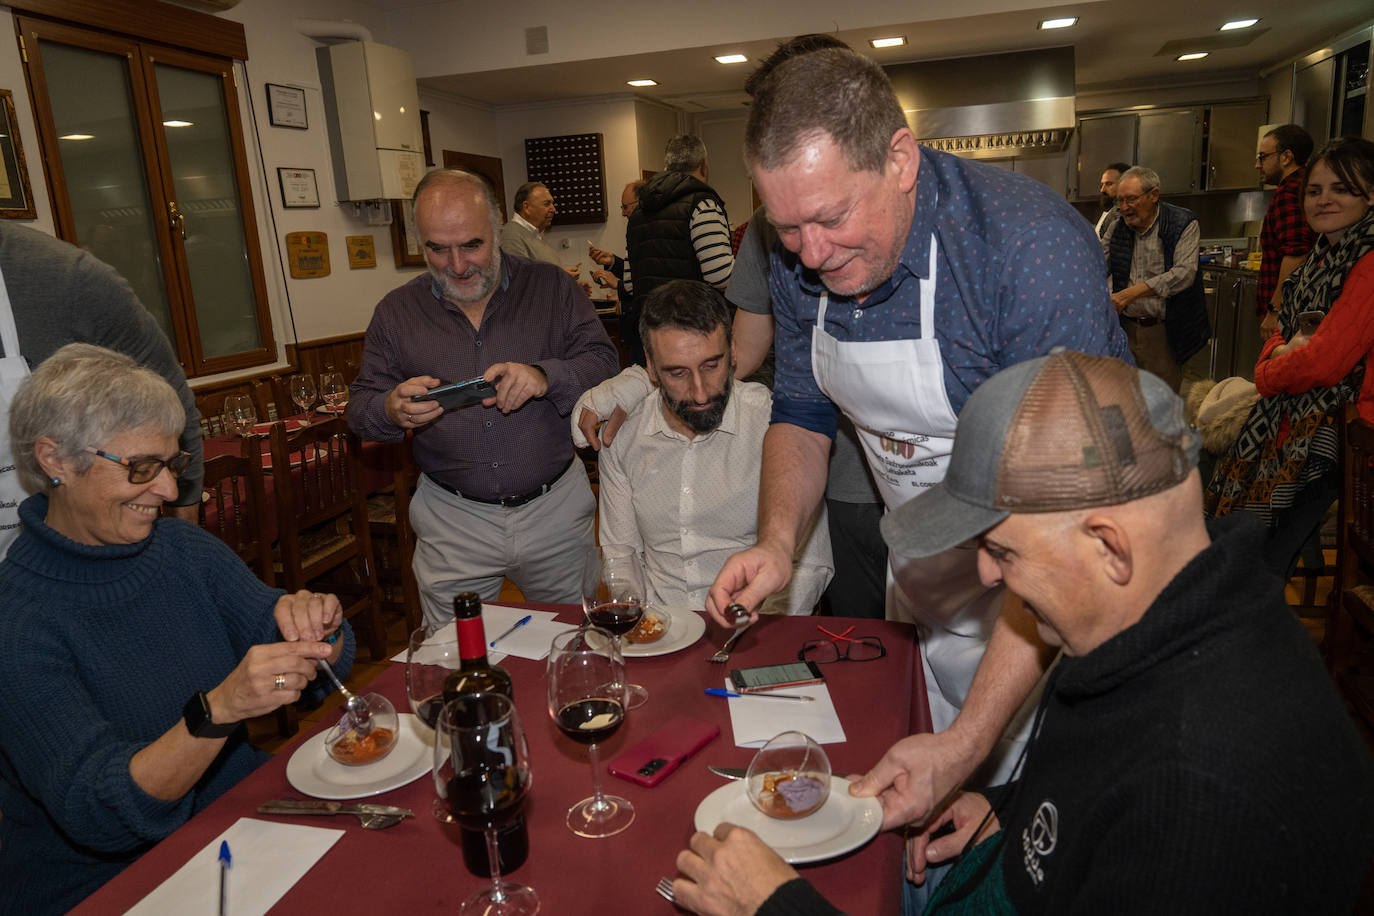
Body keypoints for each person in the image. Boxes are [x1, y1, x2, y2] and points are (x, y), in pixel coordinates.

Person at [670, 350, 1374, 916]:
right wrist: (1011, 809)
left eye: (1004, 551)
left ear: (1108, 545)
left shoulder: (1205, 794)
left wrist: (774, 908)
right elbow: (1099, 792)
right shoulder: (1154, 611)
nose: (986, 573)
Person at [706, 48, 1130, 908]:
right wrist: (777, 542)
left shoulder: (1026, 252)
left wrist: (970, 743)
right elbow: (800, 410)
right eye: (785, 230)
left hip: (1056, 599)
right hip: (924, 581)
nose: (810, 253)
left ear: (899, 160)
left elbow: (1078, 531)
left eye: (828, 218)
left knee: (1032, 858)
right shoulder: (797, 252)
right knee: (912, 846)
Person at [0, 344, 353, 915]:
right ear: (54, 460)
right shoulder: (16, 624)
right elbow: (101, 814)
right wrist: (218, 710)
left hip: (236, 833)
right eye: (141, 468)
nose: (168, 491)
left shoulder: (182, 549)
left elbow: (319, 659)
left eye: (172, 465)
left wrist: (319, 625)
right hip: (106, 887)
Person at [349, 169, 619, 627]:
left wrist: (544, 376)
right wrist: (389, 408)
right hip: (451, 520)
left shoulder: (552, 288)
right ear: (421, 243)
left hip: (555, 511)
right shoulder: (396, 313)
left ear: (498, 230)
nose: (457, 265)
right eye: (437, 249)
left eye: (472, 245)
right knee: (457, 663)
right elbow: (360, 408)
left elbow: (604, 364)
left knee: (578, 646)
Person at [597, 279, 831, 614]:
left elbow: (809, 566)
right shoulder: (623, 438)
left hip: (758, 627)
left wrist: (750, 635)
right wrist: (658, 632)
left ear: (733, 350)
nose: (701, 393)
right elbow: (622, 560)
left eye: (712, 365)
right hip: (661, 628)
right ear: (649, 366)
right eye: (677, 373)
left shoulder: (778, 426)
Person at [1207, 136, 1374, 573]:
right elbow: (1279, 337)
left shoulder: (1369, 260)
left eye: (1341, 189)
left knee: (1261, 552)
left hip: (1341, 435)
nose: (1324, 200)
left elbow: (1324, 361)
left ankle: (1247, 623)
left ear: (1371, 194)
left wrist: (1268, 370)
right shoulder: (1323, 258)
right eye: (1315, 191)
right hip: (1304, 414)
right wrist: (1281, 353)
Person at [0, 223, 204, 555]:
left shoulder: (67, 279)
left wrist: (184, 549)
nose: (167, 489)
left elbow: (171, 399)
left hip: (69, 552)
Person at [1102, 165, 1210, 391]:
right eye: (1120, 201)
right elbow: (1097, 264)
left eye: (1131, 199)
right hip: (1126, 329)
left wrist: (1130, 293)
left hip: (1164, 332)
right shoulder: (1117, 227)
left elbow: (1184, 273)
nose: (1124, 208)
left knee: (1162, 403)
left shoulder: (1182, 223)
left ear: (1154, 195)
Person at [625, 134, 733, 299]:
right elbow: (720, 276)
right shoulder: (703, 206)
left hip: (650, 319)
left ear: (666, 167)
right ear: (703, 166)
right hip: (695, 318)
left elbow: (629, 284)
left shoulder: (638, 213)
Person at [1256, 124, 1317, 327]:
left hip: (1288, 312)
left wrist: (1275, 309)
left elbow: (1297, 252)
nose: (1257, 165)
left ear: (1286, 156)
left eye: (1263, 157)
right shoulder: (1305, 185)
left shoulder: (1289, 192)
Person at [590, 179, 648, 366]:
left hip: (645, 326)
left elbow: (645, 283)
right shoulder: (637, 228)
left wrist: (618, 284)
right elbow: (637, 271)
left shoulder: (645, 230)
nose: (623, 213)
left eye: (625, 207)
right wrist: (613, 262)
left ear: (640, 203)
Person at [500, 181, 576, 277]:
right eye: (546, 204)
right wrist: (561, 277)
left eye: (552, 204)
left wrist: (570, 285)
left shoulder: (535, 234)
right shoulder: (511, 235)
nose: (553, 209)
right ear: (526, 207)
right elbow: (519, 280)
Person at [1093, 160, 1131, 237]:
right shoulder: (1110, 209)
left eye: (1109, 184)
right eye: (1102, 184)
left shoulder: (1120, 213)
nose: (1102, 190)